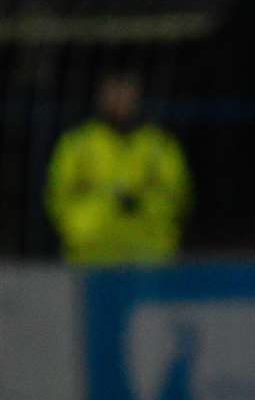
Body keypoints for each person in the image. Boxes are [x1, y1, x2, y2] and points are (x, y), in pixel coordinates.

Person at [45, 71, 191, 264]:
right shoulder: (77, 144)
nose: (120, 101)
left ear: (138, 97)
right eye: (114, 93)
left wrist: (141, 204)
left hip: (150, 255)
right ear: (100, 97)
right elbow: (58, 197)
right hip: (90, 255)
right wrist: (79, 229)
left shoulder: (159, 145)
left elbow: (178, 197)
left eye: (126, 93)